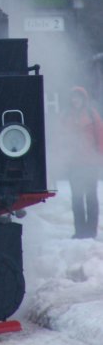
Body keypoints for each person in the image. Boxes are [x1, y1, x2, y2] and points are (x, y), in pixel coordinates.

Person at [62, 86, 103, 239]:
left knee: (91, 197)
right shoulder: (66, 116)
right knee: (77, 198)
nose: (75, 100)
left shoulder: (92, 115)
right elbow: (63, 139)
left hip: (90, 163)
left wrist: (99, 158)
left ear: (83, 99)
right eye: (73, 98)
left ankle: (91, 231)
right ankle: (79, 231)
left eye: (78, 98)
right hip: (74, 164)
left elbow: (100, 138)